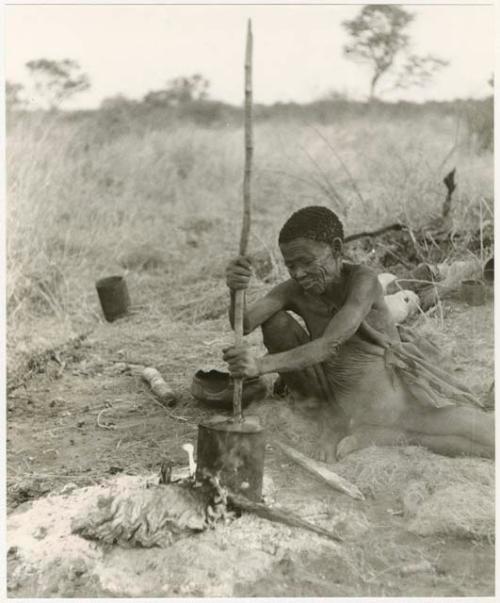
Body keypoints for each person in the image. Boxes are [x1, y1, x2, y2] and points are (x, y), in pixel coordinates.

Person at [223, 206, 494, 462]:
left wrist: (260, 365)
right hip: (333, 395)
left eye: (306, 262)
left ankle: (391, 435)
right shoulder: (293, 289)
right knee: (275, 323)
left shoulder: (363, 281)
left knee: (485, 440)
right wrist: (236, 290)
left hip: (385, 400)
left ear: (337, 248)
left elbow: (330, 343)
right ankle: (331, 422)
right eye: (290, 265)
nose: (298, 273)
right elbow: (244, 323)